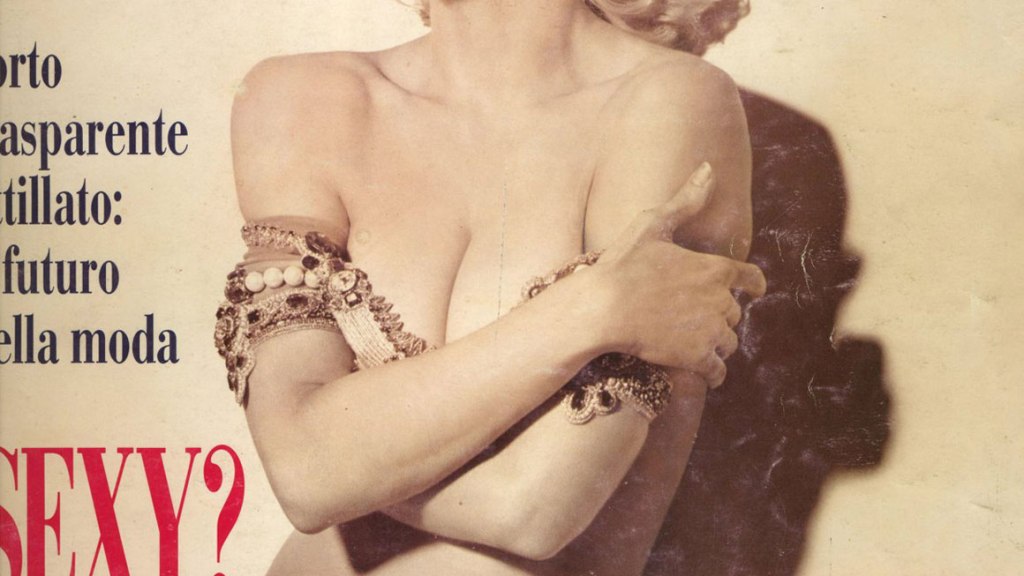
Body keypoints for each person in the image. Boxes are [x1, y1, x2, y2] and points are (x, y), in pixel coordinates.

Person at [215, 0, 765, 574]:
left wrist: (341, 461)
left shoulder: (673, 100)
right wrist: (591, 309)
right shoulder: (301, 97)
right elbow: (302, 478)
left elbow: (531, 508)